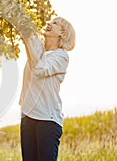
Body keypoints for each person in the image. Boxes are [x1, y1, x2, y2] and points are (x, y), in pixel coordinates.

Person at [19, 17, 76, 161]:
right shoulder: (39, 48)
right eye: (50, 21)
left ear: (62, 33)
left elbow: (39, 70)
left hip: (47, 120)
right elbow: (24, 27)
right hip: (28, 117)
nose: (49, 23)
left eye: (55, 23)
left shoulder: (61, 56)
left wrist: (27, 42)